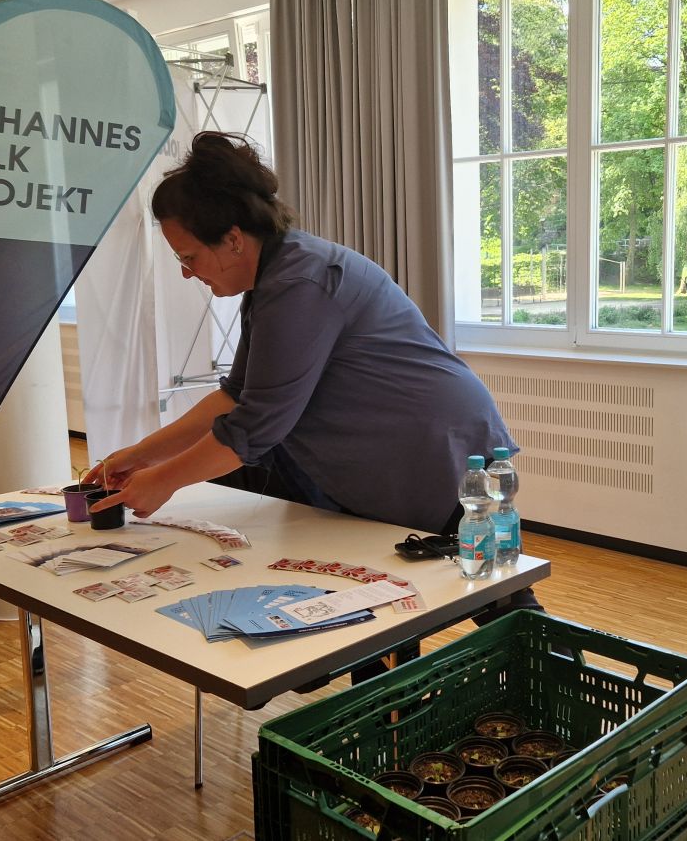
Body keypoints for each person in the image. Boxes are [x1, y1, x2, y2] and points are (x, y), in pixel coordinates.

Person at [87, 132, 540, 624]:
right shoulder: (276, 277)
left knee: (496, 606)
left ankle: (543, 672)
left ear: (234, 239)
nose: (186, 272)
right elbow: (234, 397)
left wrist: (162, 481)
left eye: (188, 257)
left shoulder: (299, 283)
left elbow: (254, 427)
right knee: (377, 600)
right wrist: (138, 456)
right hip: (398, 445)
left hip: (431, 448)